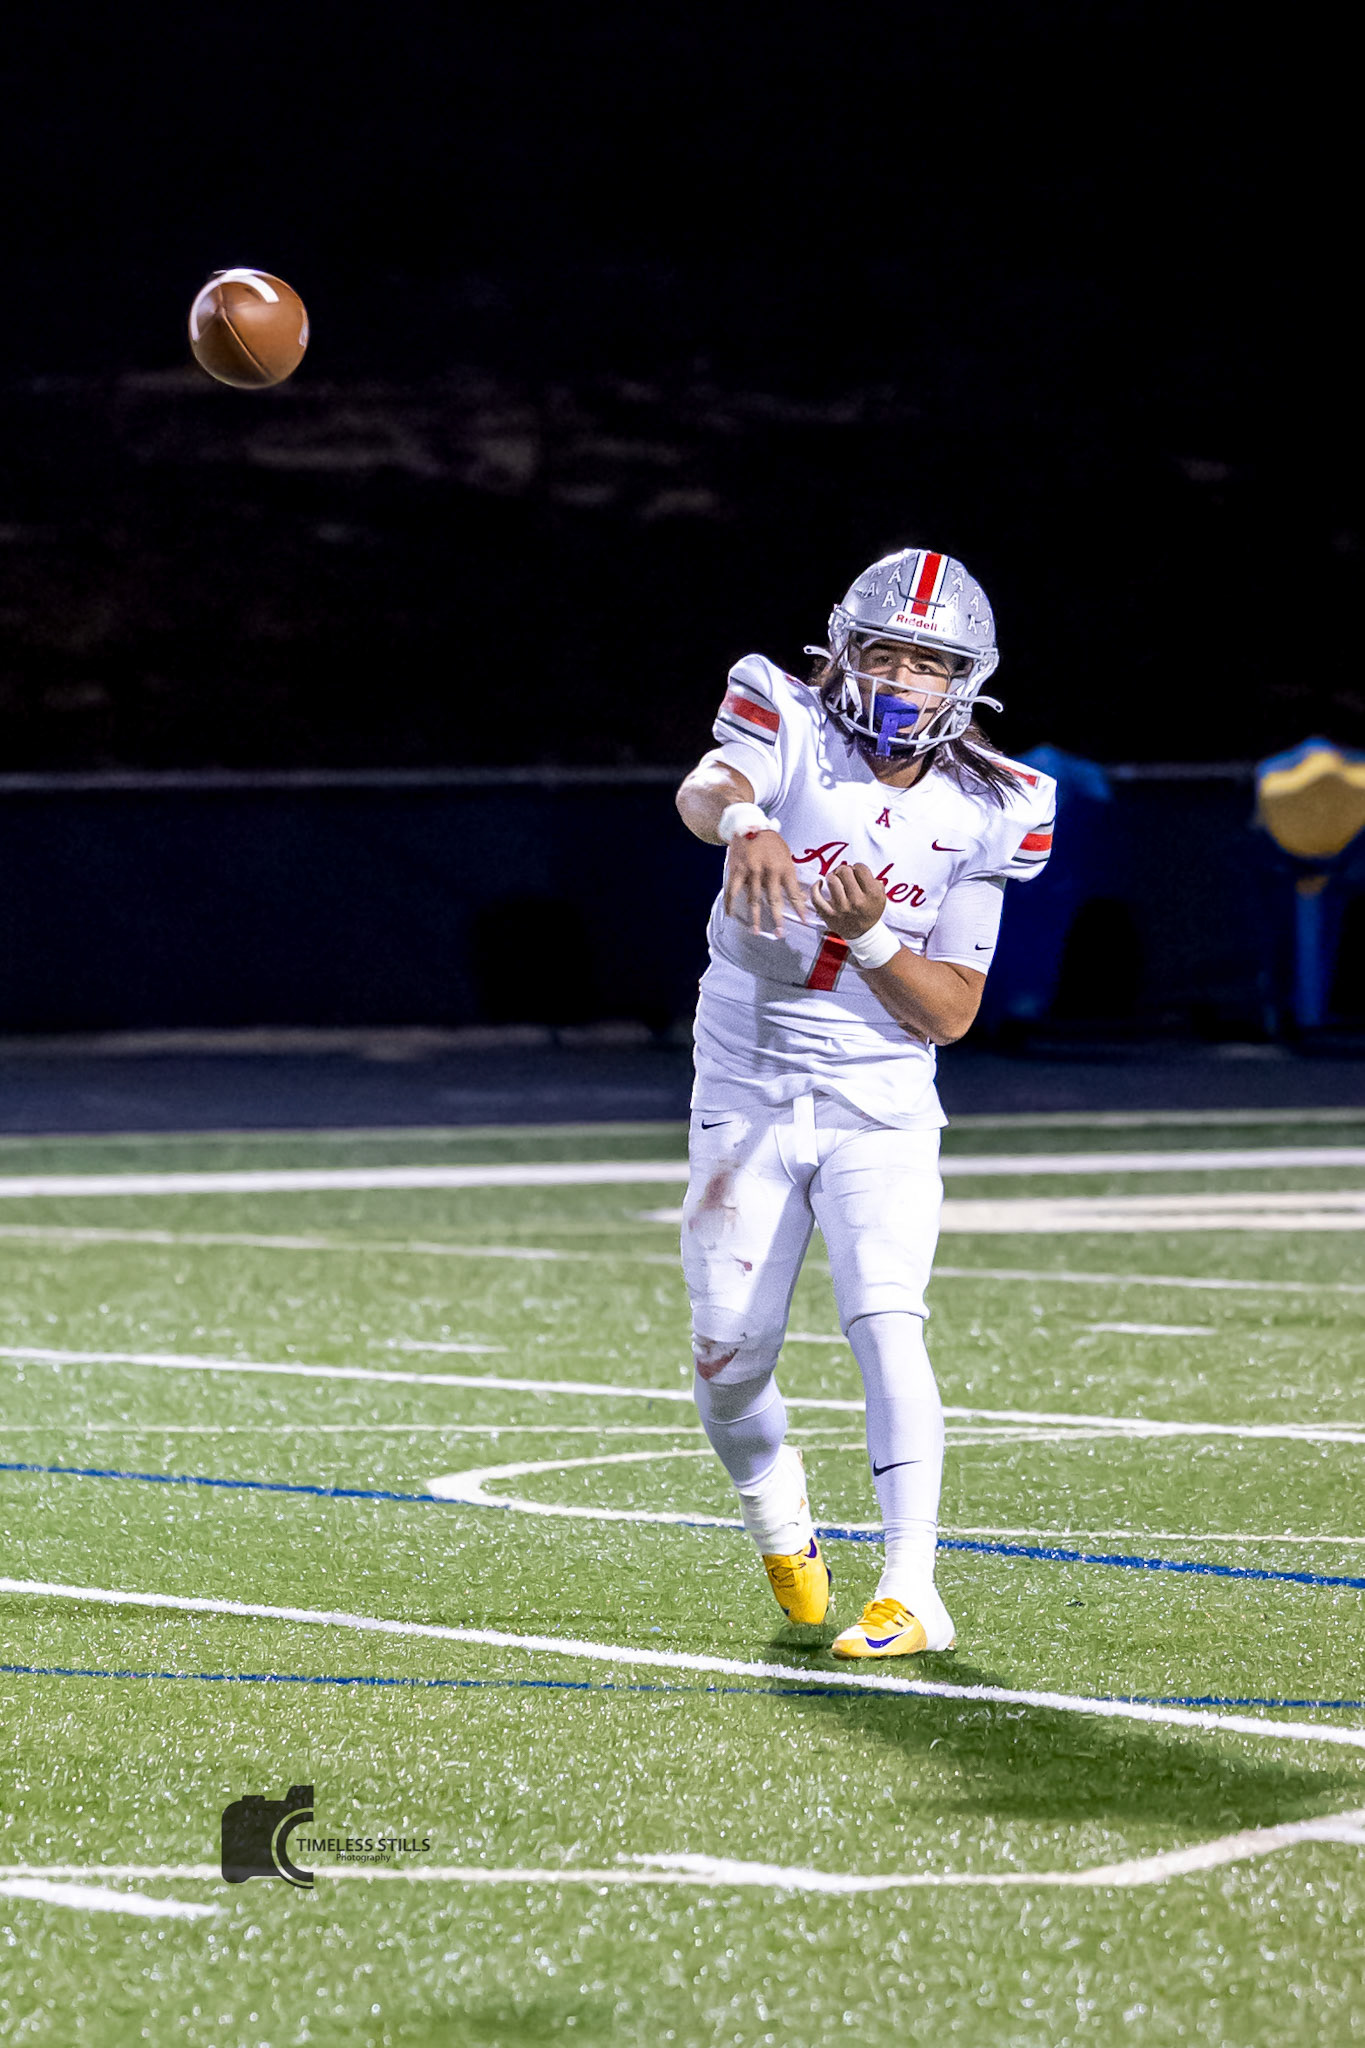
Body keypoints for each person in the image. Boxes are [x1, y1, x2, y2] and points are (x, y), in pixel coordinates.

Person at [673, 547, 1055, 1658]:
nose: (900, 680)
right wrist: (746, 824)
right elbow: (706, 787)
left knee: (887, 1316)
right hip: (745, 1079)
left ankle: (911, 1588)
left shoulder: (1000, 802)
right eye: (884, 653)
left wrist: (874, 936)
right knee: (726, 1359)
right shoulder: (784, 717)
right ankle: (774, 1511)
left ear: (965, 681)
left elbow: (952, 1013)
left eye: (927, 663)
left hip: (879, 1090)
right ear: (841, 652)